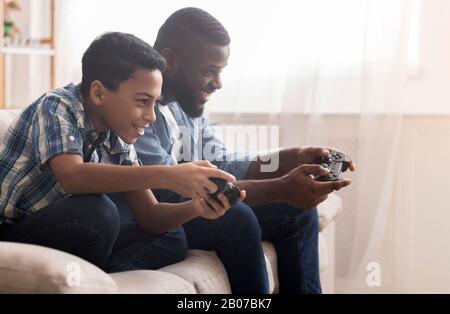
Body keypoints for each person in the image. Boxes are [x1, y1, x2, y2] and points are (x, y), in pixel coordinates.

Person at [120, 7, 356, 294]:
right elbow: (174, 192)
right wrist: (280, 187)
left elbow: (224, 164)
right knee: (238, 216)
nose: (218, 83)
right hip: (170, 214)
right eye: (209, 71)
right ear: (171, 60)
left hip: (189, 203)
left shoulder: (187, 106)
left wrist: (292, 157)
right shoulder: (135, 112)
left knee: (297, 212)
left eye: (221, 71)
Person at [0, 31, 241, 272]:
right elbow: (72, 176)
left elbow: (151, 215)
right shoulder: (57, 106)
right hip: (10, 232)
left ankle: (98, 277)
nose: (151, 116)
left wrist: (197, 207)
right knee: (98, 212)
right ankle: (91, 280)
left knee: (173, 237)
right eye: (142, 101)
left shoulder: (118, 135)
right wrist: (170, 175)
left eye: (155, 102)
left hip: (61, 231)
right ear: (98, 93)